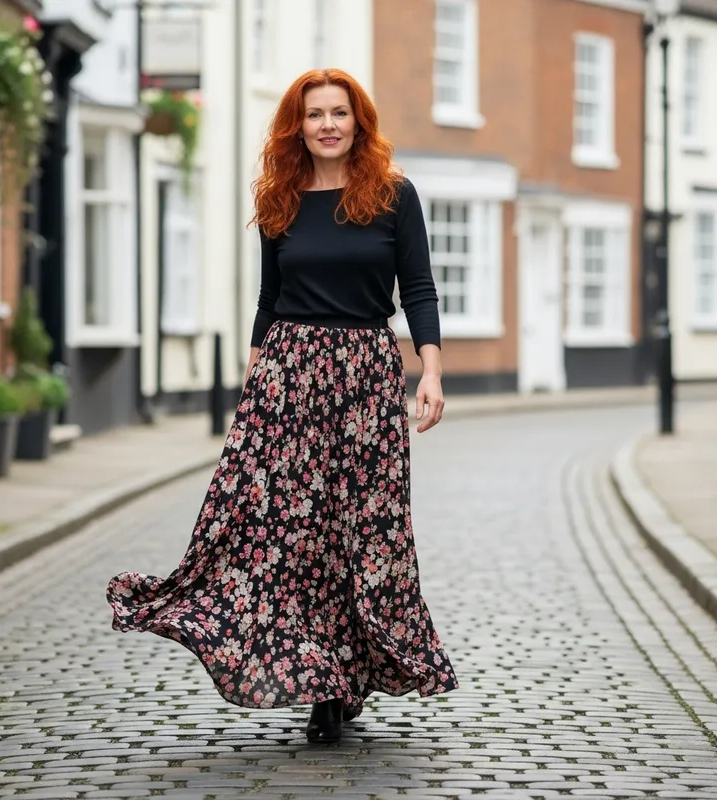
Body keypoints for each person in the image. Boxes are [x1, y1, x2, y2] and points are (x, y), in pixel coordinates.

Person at [107, 68, 458, 745]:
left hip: (364, 379)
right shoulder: (281, 198)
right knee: (284, 535)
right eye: (314, 114)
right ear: (297, 126)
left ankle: (351, 670)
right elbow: (269, 300)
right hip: (288, 378)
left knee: (361, 532)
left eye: (339, 112)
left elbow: (417, 287)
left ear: (359, 123)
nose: (327, 124)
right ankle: (320, 680)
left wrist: (431, 371)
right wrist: (253, 384)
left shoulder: (393, 195)